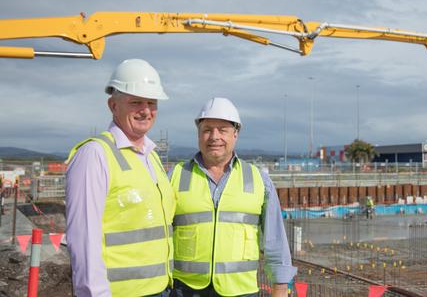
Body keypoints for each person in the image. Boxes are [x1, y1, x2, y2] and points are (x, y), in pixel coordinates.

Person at [65, 59, 175, 296]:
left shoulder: (151, 157)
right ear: (113, 105)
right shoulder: (95, 155)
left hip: (161, 289)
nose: (145, 110)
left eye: (151, 102)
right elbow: (83, 240)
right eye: (135, 102)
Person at [169, 97, 296, 297]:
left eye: (222, 129)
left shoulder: (258, 180)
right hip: (185, 289)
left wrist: (280, 287)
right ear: (199, 134)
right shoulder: (175, 176)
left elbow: (275, 239)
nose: (214, 136)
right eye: (207, 129)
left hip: (241, 291)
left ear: (235, 134)